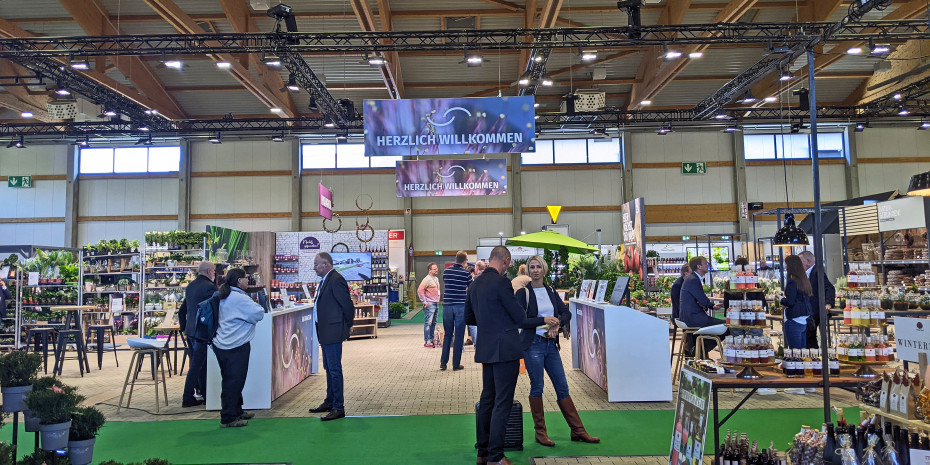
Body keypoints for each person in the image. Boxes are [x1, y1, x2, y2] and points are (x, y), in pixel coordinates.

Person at [466, 246, 551, 465]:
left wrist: (491, 322)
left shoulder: (474, 283)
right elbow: (519, 317)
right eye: (508, 264)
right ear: (505, 260)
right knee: (502, 402)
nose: (508, 267)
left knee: (487, 399)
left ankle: (483, 453)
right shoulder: (502, 283)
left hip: (486, 348)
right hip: (505, 349)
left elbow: (470, 317)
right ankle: (496, 456)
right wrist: (543, 320)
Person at [515, 255, 597, 447]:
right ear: (528, 270)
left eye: (538, 267)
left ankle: (578, 430)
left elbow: (566, 312)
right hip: (533, 345)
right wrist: (543, 320)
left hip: (551, 345)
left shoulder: (551, 291)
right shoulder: (523, 293)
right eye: (532, 267)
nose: (535, 270)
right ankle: (540, 432)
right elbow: (520, 321)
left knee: (562, 386)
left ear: (544, 270)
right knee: (537, 387)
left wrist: (557, 323)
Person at [212, 268, 265, 428]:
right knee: (234, 381)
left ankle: (236, 411)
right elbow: (259, 313)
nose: (248, 280)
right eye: (246, 278)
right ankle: (228, 417)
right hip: (235, 344)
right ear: (239, 281)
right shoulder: (239, 298)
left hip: (222, 343)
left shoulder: (225, 295)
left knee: (230, 379)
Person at [307, 252, 355, 421]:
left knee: (334, 369)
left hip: (333, 331)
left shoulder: (336, 279)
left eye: (316, 264)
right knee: (329, 368)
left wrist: (348, 324)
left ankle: (338, 407)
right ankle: (330, 401)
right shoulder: (326, 280)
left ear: (325, 265)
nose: (314, 267)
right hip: (326, 330)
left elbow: (347, 305)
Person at [179, 261, 217, 408]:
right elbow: (213, 310)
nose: (215, 274)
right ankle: (187, 397)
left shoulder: (191, 286)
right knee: (197, 365)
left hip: (191, 331)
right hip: (202, 332)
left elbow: (182, 310)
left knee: (199, 364)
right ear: (209, 272)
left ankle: (204, 395)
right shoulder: (209, 287)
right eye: (214, 271)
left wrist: (184, 328)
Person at [679, 256, 726, 356]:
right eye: (706, 263)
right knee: (727, 327)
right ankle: (697, 350)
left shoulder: (692, 278)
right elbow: (703, 300)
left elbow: (699, 299)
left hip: (690, 316)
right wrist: (712, 306)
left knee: (721, 326)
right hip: (694, 318)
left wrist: (711, 306)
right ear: (699, 266)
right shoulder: (693, 280)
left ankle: (697, 349)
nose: (708, 265)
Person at [440, 251, 472, 371]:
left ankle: (443, 362)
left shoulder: (446, 271)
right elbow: (471, 287)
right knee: (459, 335)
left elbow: (446, 283)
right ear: (465, 260)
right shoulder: (466, 273)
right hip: (460, 306)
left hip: (447, 305)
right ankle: (456, 364)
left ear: (456, 259)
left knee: (448, 334)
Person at [799, 250, 836, 349]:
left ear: (807, 261)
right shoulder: (808, 273)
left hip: (815, 312)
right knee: (809, 338)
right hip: (810, 311)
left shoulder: (817, 272)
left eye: (800, 262)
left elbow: (829, 287)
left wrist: (828, 303)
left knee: (810, 338)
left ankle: (813, 356)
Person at [781, 255, 813, 350]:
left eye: (786, 264)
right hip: (804, 320)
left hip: (793, 320)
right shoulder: (804, 280)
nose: (785, 266)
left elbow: (790, 302)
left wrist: (780, 299)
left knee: (795, 353)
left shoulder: (792, 282)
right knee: (802, 352)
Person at [417, 262, 441, 348]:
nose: (436, 270)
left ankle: (431, 339)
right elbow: (420, 290)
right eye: (434, 269)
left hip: (436, 303)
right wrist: (424, 301)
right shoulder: (426, 279)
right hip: (430, 304)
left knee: (433, 323)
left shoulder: (436, 278)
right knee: (428, 323)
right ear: (429, 270)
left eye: (436, 269)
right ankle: (427, 341)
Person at [467, 260, 487, 347]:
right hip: (487, 306)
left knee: (474, 325)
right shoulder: (488, 277)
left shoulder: (476, 279)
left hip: (478, 305)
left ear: (477, 268)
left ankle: (477, 345)